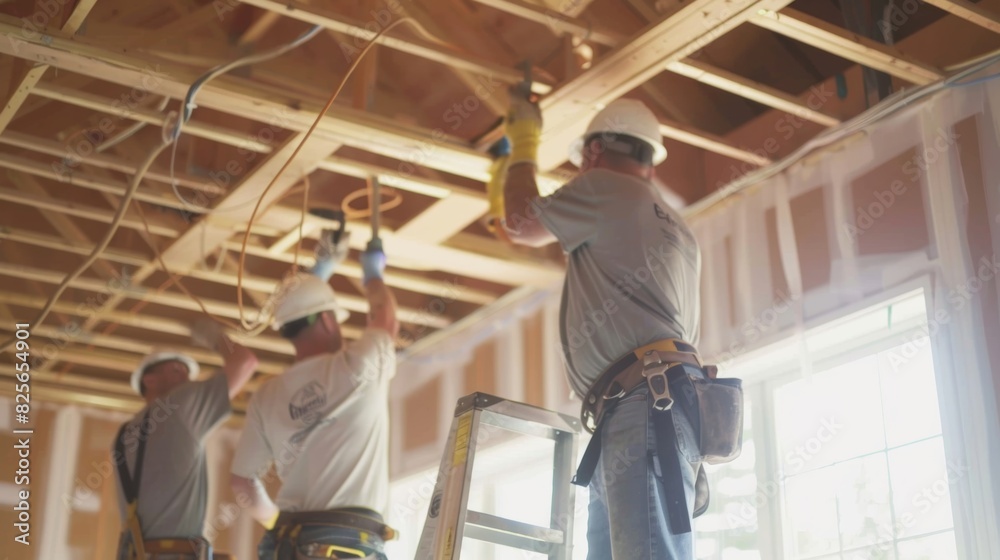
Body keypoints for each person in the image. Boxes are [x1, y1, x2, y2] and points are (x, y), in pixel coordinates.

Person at [500, 95, 725, 559]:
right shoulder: (678, 227)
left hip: (641, 408)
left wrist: (523, 145)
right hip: (651, 404)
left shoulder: (605, 186)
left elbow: (520, 222)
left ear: (594, 151)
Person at [230, 229, 400, 560]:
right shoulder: (358, 363)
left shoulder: (267, 395)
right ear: (327, 319)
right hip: (347, 541)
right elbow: (385, 318)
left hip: (287, 543)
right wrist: (373, 275)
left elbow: (242, 484)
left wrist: (279, 523)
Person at [113, 325, 259, 560]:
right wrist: (209, 332)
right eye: (176, 369)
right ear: (149, 380)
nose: (187, 377)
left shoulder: (123, 435)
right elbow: (245, 362)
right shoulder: (178, 406)